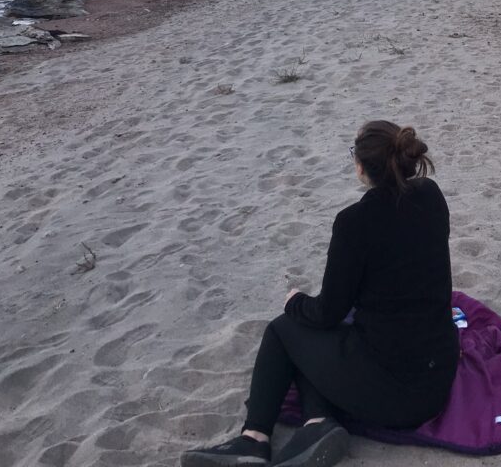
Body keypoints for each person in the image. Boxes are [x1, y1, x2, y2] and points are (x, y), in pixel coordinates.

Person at [182, 120, 460, 467]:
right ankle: (317, 422)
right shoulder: (431, 195)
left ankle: (253, 439)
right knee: (319, 338)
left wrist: (295, 301)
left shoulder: (354, 222)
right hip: (438, 377)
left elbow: (328, 311)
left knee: (285, 330)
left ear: (361, 167)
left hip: (394, 392)